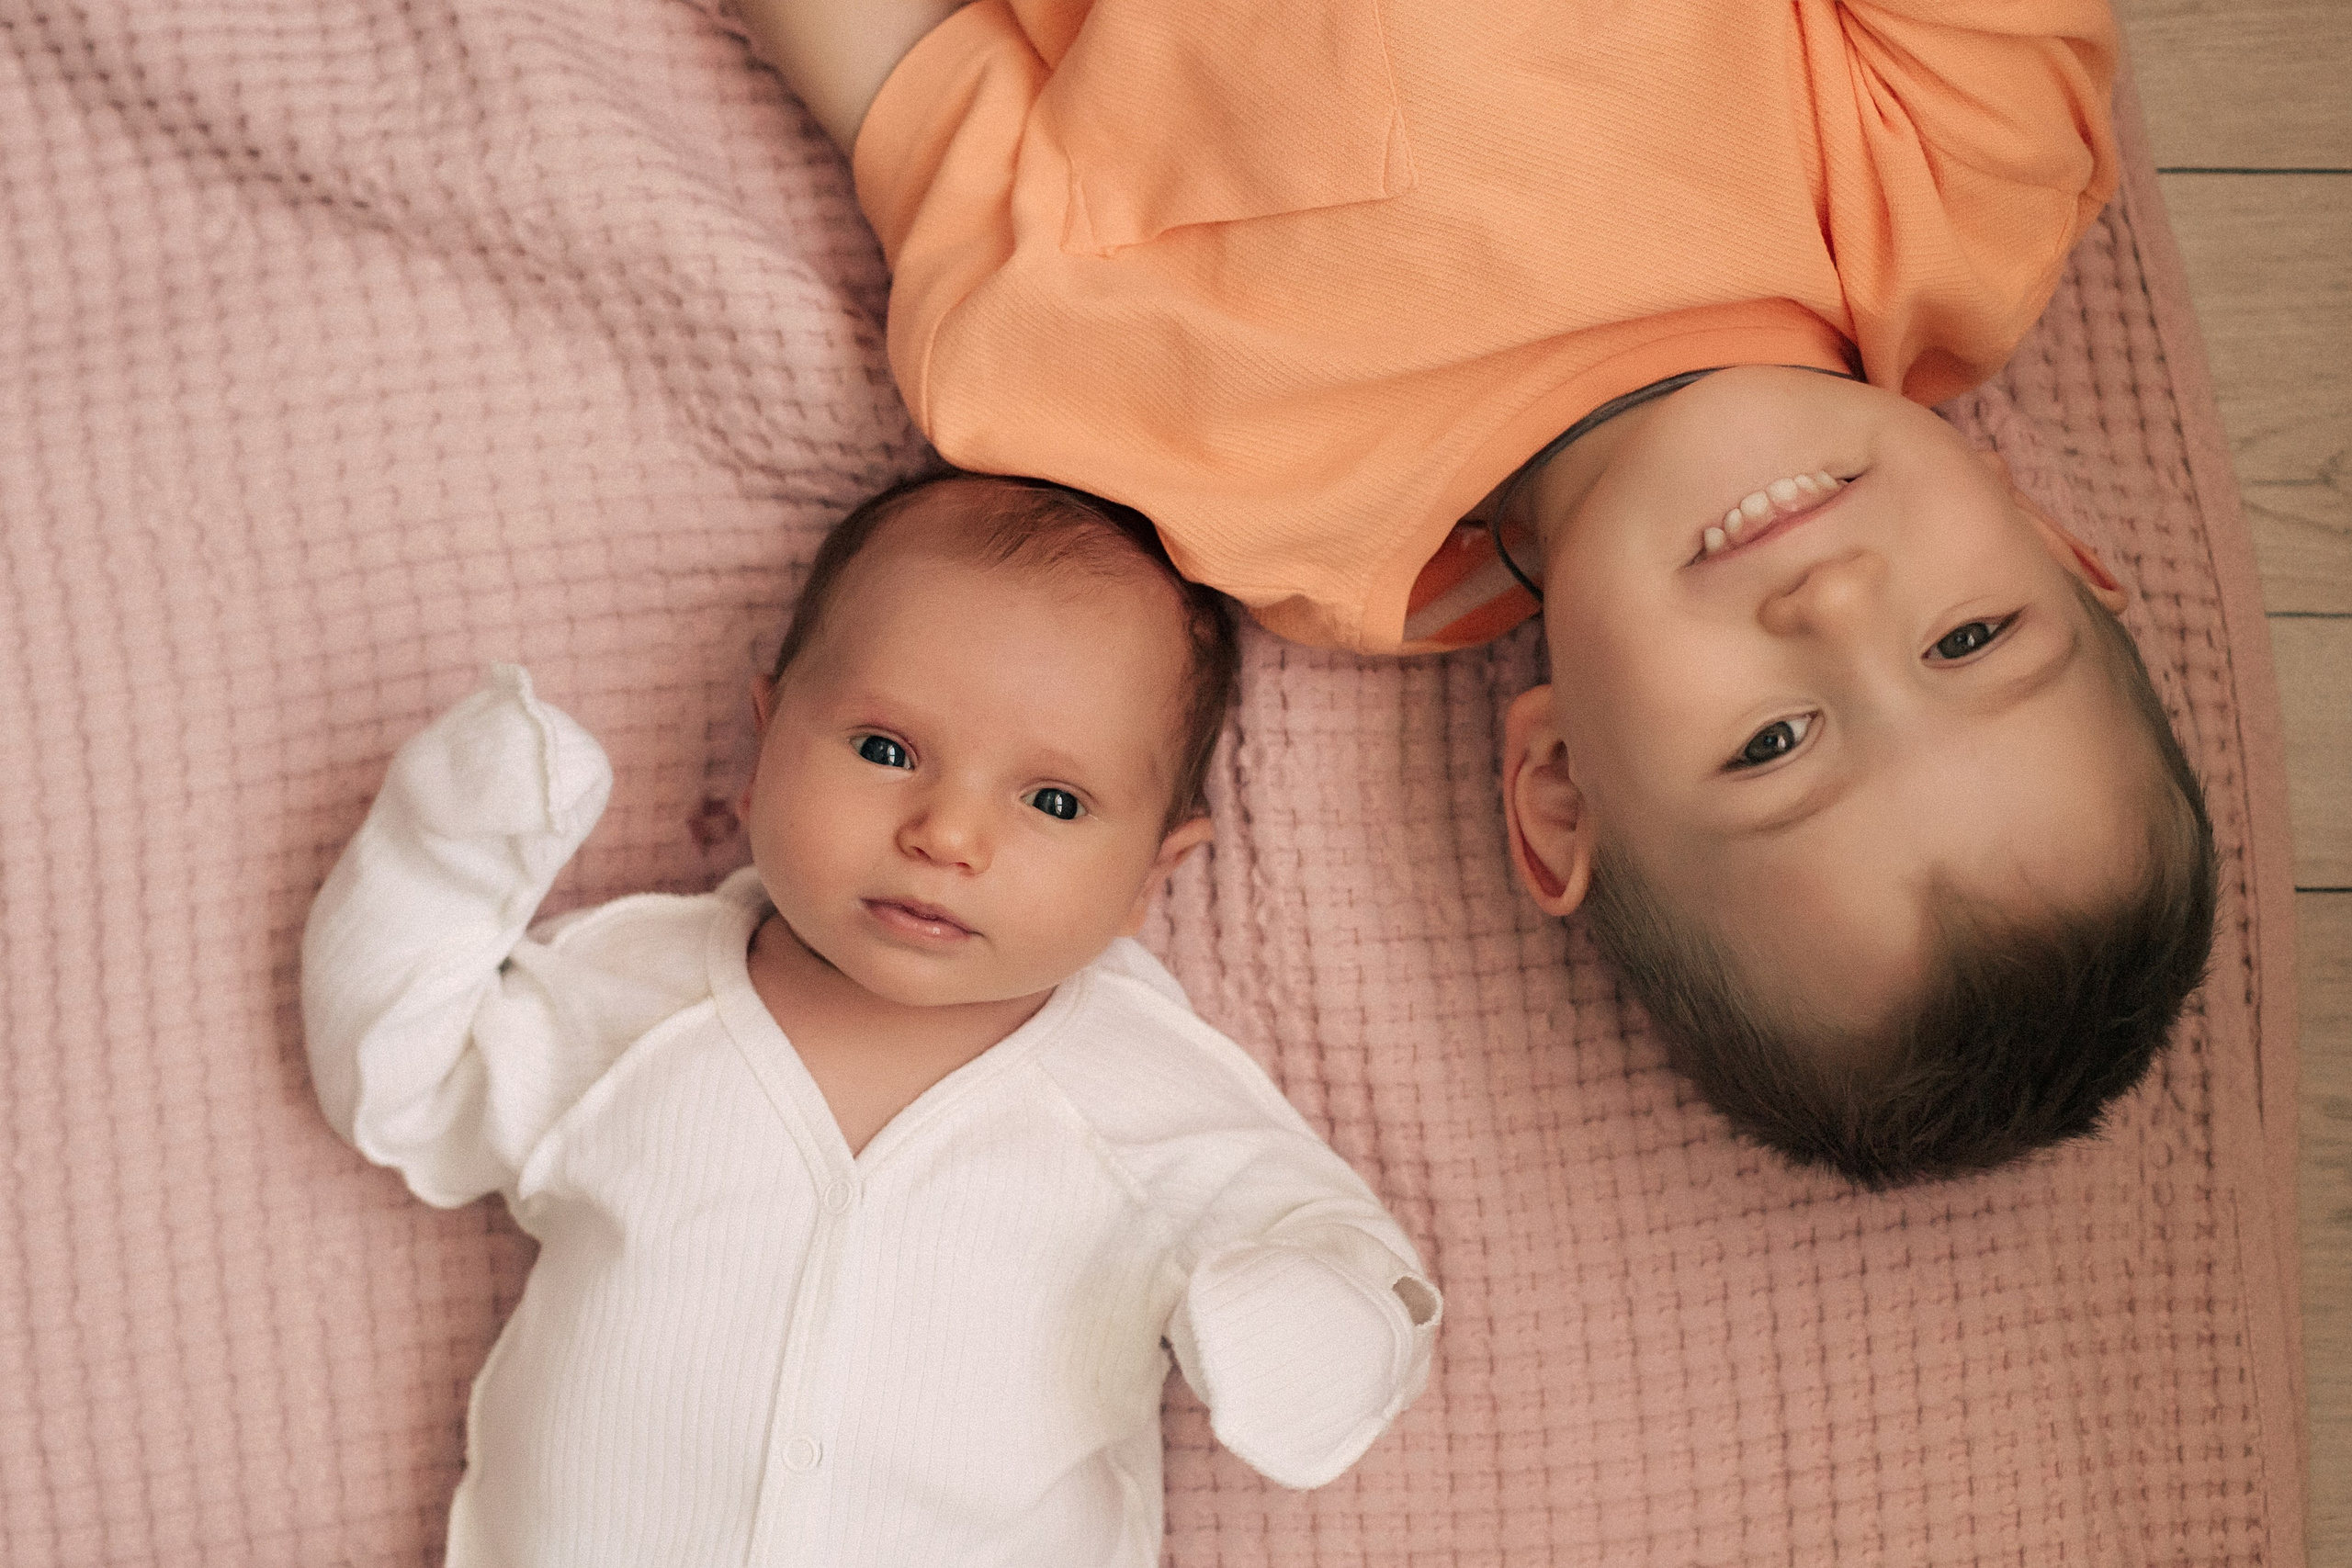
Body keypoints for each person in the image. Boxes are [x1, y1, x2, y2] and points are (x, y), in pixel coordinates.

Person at [738, 0, 2219, 1187]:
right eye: (1972, 636)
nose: (1832, 606)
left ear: (1561, 786)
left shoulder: (1249, 478)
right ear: (2061, 547)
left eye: (1773, 742)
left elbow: (907, 75)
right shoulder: (1961, 191)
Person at [300, 473, 1441, 1565]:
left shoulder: (1146, 1094)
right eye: (885, 751)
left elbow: (1358, 1266)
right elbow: (402, 1084)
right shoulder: (638, 1003)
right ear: (763, 747)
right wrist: (443, 860)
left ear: (1152, 872)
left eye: (1053, 801)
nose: (946, 833)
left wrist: (1306, 1319)